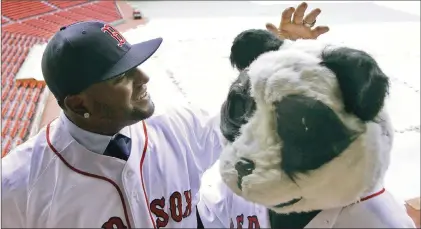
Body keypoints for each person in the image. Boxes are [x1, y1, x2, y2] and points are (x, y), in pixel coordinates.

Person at [1, 2, 329, 228]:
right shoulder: (17, 184)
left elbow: (248, 117)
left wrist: (284, 58)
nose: (143, 79)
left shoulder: (178, 127)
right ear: (78, 104)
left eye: (134, 66)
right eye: (120, 78)